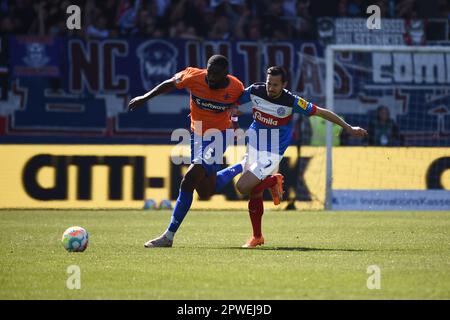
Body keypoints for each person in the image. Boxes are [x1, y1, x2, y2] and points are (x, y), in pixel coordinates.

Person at [234, 66, 368, 248]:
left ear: (284, 85)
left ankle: (273, 180)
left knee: (243, 187)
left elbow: (321, 112)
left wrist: (348, 128)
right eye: (268, 83)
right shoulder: (256, 90)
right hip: (254, 142)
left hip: (273, 150)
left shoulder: (292, 101)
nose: (270, 88)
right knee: (255, 191)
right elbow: (234, 99)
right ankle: (257, 236)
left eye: (275, 85)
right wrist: (232, 111)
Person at [128, 55, 245, 248]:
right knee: (206, 191)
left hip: (220, 135)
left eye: (217, 75)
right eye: (210, 74)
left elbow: (236, 107)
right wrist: (145, 97)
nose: (213, 78)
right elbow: (169, 83)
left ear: (226, 74)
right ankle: (243, 164)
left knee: (189, 178)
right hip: (196, 134)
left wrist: (235, 126)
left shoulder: (236, 87)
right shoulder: (193, 76)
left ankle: (168, 236)